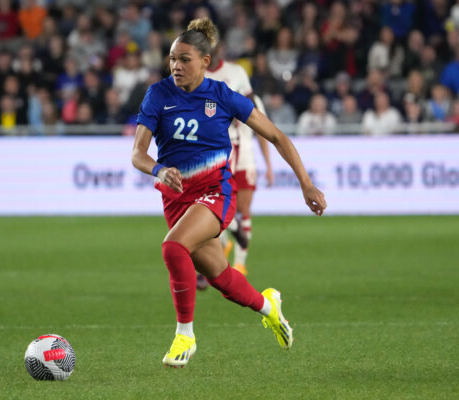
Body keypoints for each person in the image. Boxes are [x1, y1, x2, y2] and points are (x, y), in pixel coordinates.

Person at [131, 18, 326, 368]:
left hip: (215, 193)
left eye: (185, 59)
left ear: (205, 62)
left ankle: (185, 336)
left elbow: (277, 136)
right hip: (176, 200)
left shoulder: (222, 95)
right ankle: (270, 308)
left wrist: (305, 182)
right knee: (222, 279)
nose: (176, 66)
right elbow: (137, 154)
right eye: (173, 58)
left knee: (173, 247)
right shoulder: (158, 94)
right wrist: (159, 169)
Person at [204, 40, 274, 280]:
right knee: (221, 203)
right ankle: (225, 241)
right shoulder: (203, 84)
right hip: (220, 152)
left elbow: (264, 133)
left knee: (243, 209)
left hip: (245, 155)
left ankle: (240, 263)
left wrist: (269, 165)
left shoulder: (245, 88)